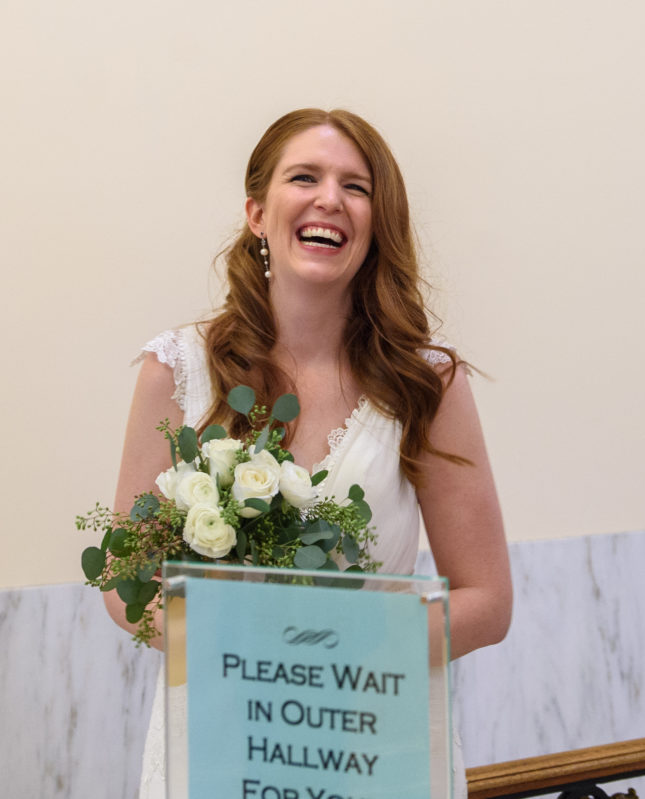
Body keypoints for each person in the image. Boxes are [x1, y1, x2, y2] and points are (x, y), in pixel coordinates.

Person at [104, 108, 512, 799]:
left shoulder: (426, 384)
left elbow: (489, 601)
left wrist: (334, 641)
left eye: (357, 187)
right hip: (219, 742)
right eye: (305, 176)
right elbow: (123, 582)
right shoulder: (175, 371)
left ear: (376, 223)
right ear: (257, 212)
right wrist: (238, 644)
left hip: (372, 746)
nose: (331, 198)